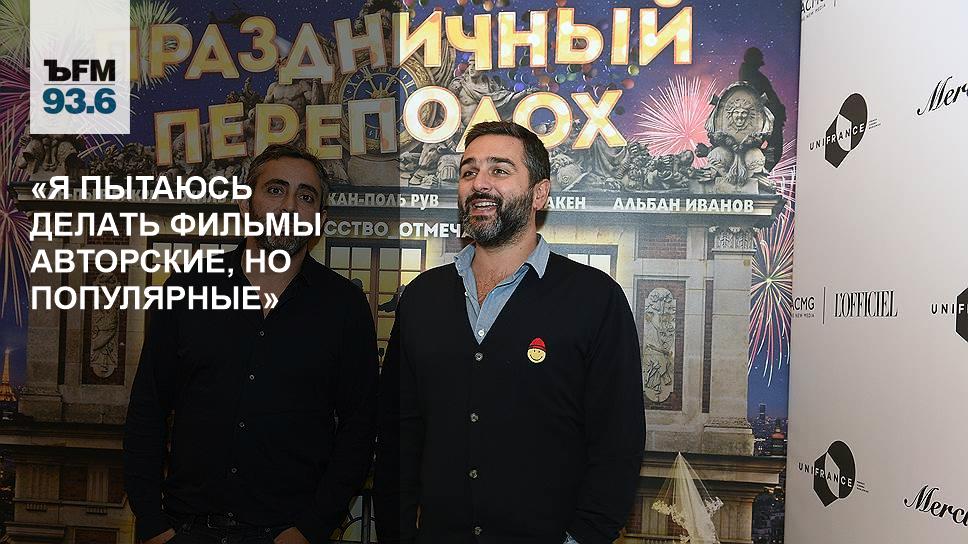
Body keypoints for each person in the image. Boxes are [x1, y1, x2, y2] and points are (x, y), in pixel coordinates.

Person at [374, 121, 646, 544]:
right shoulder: (422, 298)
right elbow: (398, 434)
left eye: (499, 170)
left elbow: (618, 443)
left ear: (540, 193)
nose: (479, 183)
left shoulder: (595, 299)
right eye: (468, 171)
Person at [124, 144, 379, 544]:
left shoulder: (345, 306)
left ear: (320, 220)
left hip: (286, 534)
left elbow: (359, 428)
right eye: (276, 190)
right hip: (186, 529)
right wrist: (152, 523)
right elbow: (147, 409)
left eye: (306, 197)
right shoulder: (186, 289)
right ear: (246, 203)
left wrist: (312, 528)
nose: (289, 206)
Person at [739, 47, 787, 170]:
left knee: (772, 151)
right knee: (773, 149)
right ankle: (758, 172)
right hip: (765, 118)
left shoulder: (752, 74)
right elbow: (760, 96)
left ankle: (759, 171)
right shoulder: (752, 75)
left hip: (768, 117)